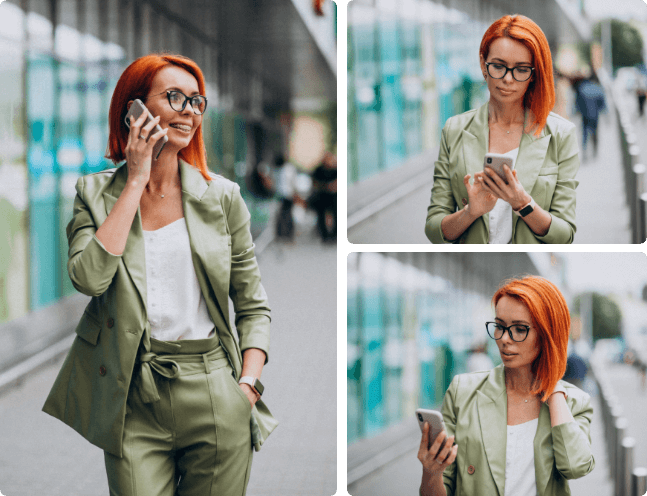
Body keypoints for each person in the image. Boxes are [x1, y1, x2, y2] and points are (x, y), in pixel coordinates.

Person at [41, 53, 278, 496]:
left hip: (213, 388)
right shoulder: (93, 194)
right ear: (135, 110)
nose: (189, 110)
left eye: (196, 101)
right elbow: (88, 278)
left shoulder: (222, 197)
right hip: (132, 392)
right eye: (174, 97)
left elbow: (252, 305)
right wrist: (134, 181)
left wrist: (246, 387)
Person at [418, 275, 594, 496]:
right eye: (499, 326)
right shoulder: (463, 391)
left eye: (520, 329)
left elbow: (575, 466)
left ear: (547, 335)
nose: (504, 339)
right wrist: (431, 472)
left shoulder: (575, 402)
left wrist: (554, 389)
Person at [425, 15, 580, 244]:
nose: (508, 79)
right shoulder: (454, 129)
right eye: (498, 66)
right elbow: (434, 229)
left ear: (534, 74)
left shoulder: (561, 134)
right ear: (482, 64)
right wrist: (470, 213)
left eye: (521, 69)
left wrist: (523, 204)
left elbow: (564, 235)